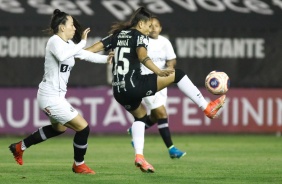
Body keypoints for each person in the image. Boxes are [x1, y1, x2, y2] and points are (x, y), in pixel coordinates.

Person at [86, 7, 225, 173]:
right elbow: (143, 56)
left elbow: (94, 48)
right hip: (134, 84)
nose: (150, 29)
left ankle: (140, 156)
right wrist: (158, 71)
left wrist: (75, 53)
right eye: (149, 25)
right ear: (141, 23)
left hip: (118, 91)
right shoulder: (139, 36)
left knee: (141, 117)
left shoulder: (117, 35)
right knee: (178, 74)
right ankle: (206, 107)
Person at [9, 9, 113, 174]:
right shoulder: (54, 41)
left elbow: (85, 56)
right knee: (83, 128)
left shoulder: (69, 44)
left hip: (55, 96)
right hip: (50, 97)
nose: (74, 28)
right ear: (62, 27)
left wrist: (107, 59)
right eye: (71, 25)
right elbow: (63, 55)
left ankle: (19, 147)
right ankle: (79, 164)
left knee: (59, 129)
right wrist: (81, 43)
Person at [127, 16, 186, 159]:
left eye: (156, 26)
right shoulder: (141, 40)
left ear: (161, 28)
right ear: (146, 26)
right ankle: (171, 149)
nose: (153, 28)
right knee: (161, 113)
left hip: (161, 81)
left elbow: (171, 58)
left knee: (154, 116)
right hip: (146, 81)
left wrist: (170, 67)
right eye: (151, 25)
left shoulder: (164, 42)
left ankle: (136, 130)